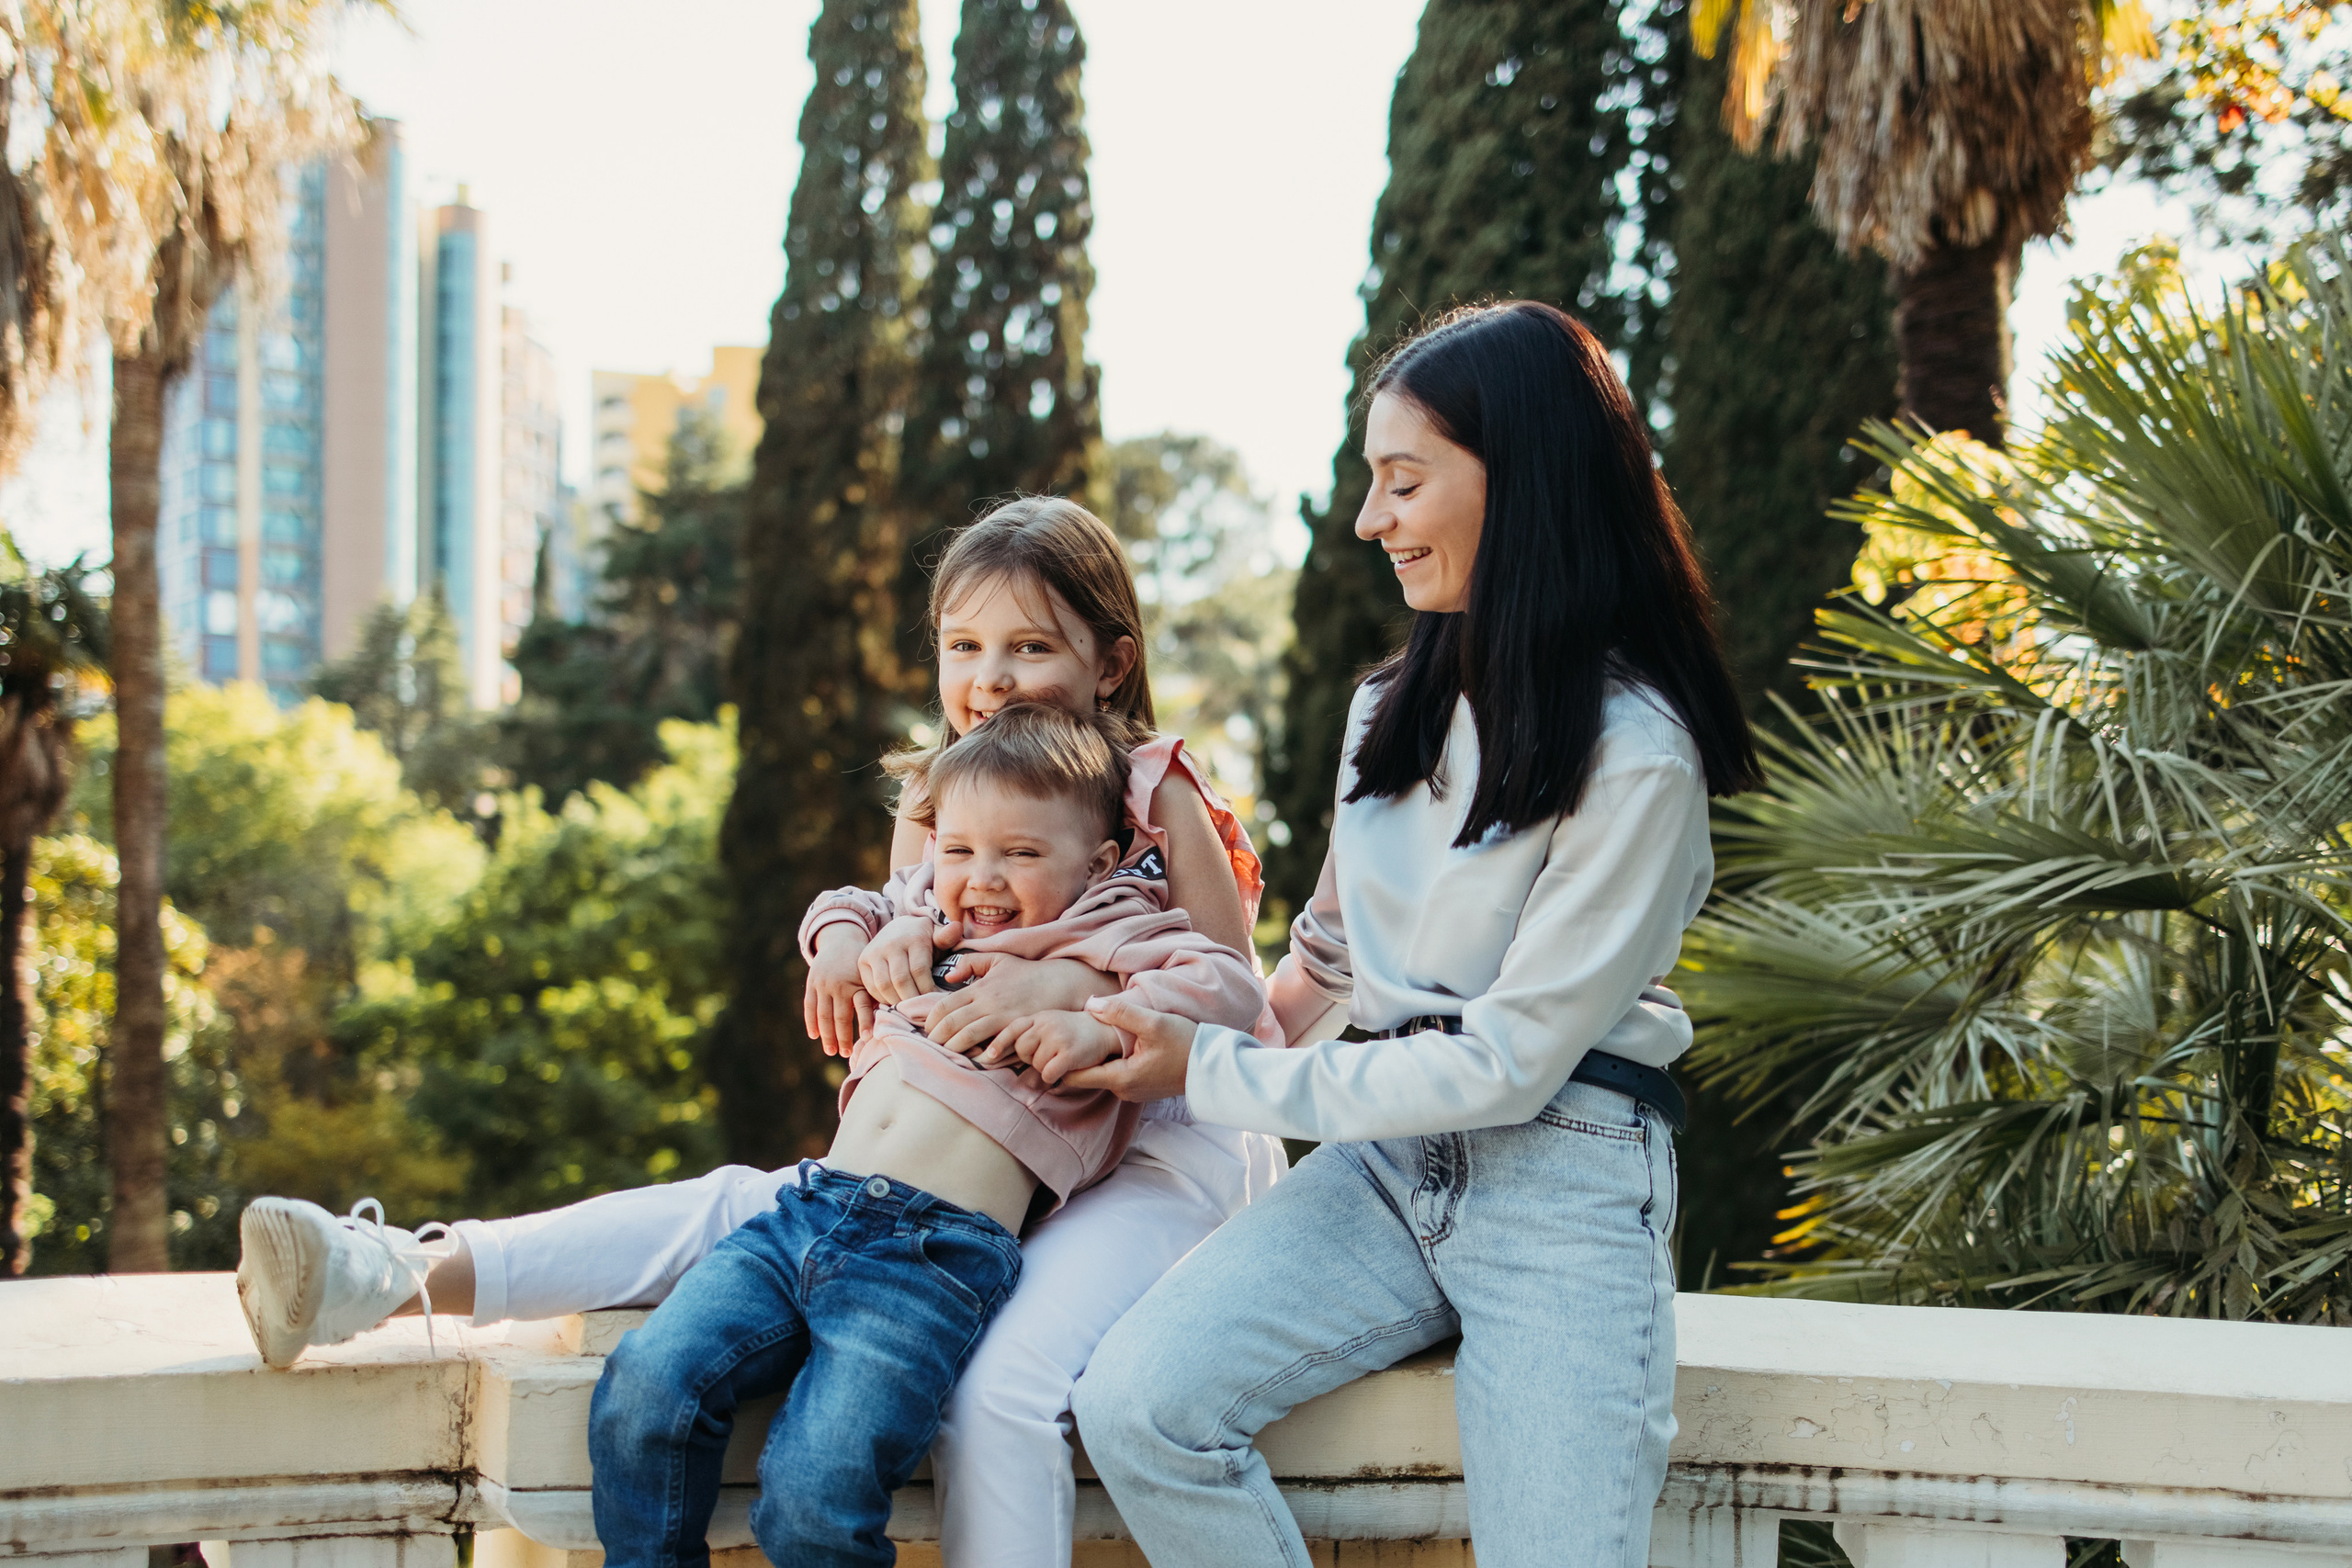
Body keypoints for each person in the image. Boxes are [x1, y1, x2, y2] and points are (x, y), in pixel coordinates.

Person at [232, 497, 1287, 1566]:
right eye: (964, 647)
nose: (992, 679)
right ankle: (387, 1273)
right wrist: (854, 944)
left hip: (1144, 1143)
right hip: (927, 1159)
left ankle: (392, 1273)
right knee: (724, 1220)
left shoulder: (1150, 787)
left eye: (1030, 648)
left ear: (1110, 665)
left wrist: (1069, 985)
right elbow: (907, 926)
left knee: (979, 1395)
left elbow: (1225, 994)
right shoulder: (940, 794)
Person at [1057, 300, 1762, 1568]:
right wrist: (1149, 1059)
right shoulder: (1389, 707)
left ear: (1523, 481)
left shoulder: (1640, 755)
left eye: (1403, 480)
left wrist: (1211, 1070)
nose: (1367, 519)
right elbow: (1328, 959)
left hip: (1564, 1177)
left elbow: (1507, 1064)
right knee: (1140, 1407)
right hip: (1382, 1166)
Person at [587, 703, 1271, 1568]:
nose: (983, 878)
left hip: (931, 1256)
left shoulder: (1114, 929)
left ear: (1098, 863)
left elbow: (1229, 988)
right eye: (959, 850)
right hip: (809, 1210)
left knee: (815, 1491)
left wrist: (1091, 1008)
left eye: (1021, 853)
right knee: (645, 1386)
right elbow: (844, 902)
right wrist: (840, 944)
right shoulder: (926, 911)